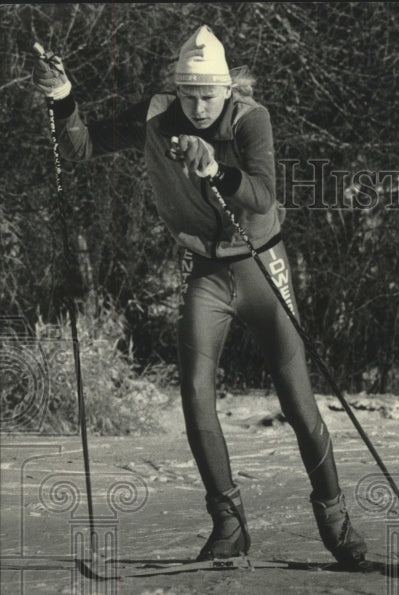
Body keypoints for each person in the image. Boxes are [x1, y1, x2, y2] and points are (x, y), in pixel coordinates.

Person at [32, 26, 368, 567]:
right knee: (194, 394)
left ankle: (337, 525)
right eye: (189, 94)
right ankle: (229, 525)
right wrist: (62, 97)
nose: (198, 105)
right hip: (206, 275)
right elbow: (81, 145)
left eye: (208, 94)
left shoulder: (250, 118)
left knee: (299, 404)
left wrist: (215, 165)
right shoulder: (156, 114)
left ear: (227, 89)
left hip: (263, 266)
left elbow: (262, 195)